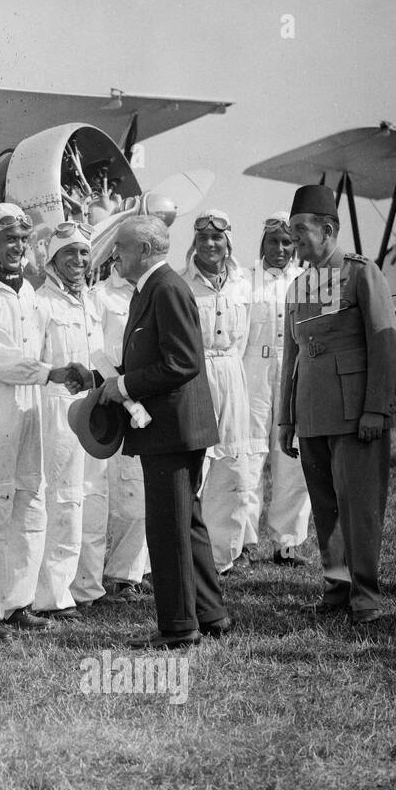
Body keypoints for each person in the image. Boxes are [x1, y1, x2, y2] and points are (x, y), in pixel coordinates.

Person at [69, 215, 228, 648]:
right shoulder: (152, 289)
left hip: (173, 431)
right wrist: (105, 380)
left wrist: (123, 385)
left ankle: (179, 627)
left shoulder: (166, 289)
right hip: (171, 428)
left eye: (119, 247)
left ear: (143, 250)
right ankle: (211, 615)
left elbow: (182, 362)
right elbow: (152, 358)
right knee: (187, 523)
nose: (113, 255)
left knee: (168, 527)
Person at [279, 184, 396, 626]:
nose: (293, 240)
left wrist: (376, 410)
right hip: (311, 414)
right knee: (325, 506)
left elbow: (384, 347)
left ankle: (365, 594)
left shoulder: (362, 273)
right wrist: (285, 418)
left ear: (328, 229)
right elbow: (291, 359)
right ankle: (337, 586)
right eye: (290, 231)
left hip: (355, 415)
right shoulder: (297, 286)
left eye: (299, 230)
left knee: (360, 505)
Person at [0, 203, 63, 640]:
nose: (17, 248)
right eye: (9, 240)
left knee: (31, 499)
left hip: (31, 406)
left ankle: (18, 600)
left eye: (23, 240)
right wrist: (47, 373)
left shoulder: (29, 291)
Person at [32, 221, 106, 618]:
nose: (78, 261)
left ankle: (83, 584)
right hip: (57, 409)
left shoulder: (91, 301)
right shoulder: (41, 303)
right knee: (59, 499)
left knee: (87, 498)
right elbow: (34, 362)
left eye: (83, 252)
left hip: (94, 409)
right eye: (68, 254)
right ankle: (51, 596)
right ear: (52, 260)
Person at [181, 210, 254, 575]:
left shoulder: (243, 283)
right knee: (198, 465)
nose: (210, 244)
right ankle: (188, 556)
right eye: (203, 237)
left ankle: (222, 558)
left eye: (217, 238)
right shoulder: (181, 284)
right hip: (197, 375)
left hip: (233, 374)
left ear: (229, 242)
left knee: (234, 466)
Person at [240, 213, 310, 566]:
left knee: (292, 455)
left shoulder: (309, 281)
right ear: (262, 244)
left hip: (294, 368)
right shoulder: (243, 279)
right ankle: (243, 539)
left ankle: (287, 541)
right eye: (273, 242)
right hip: (253, 368)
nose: (281, 249)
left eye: (288, 242)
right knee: (249, 454)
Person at [97, 263, 152, 600]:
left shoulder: (154, 291)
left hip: (149, 394)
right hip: (116, 398)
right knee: (126, 488)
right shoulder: (101, 296)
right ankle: (120, 576)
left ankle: (137, 569)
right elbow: (97, 351)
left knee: (143, 486)